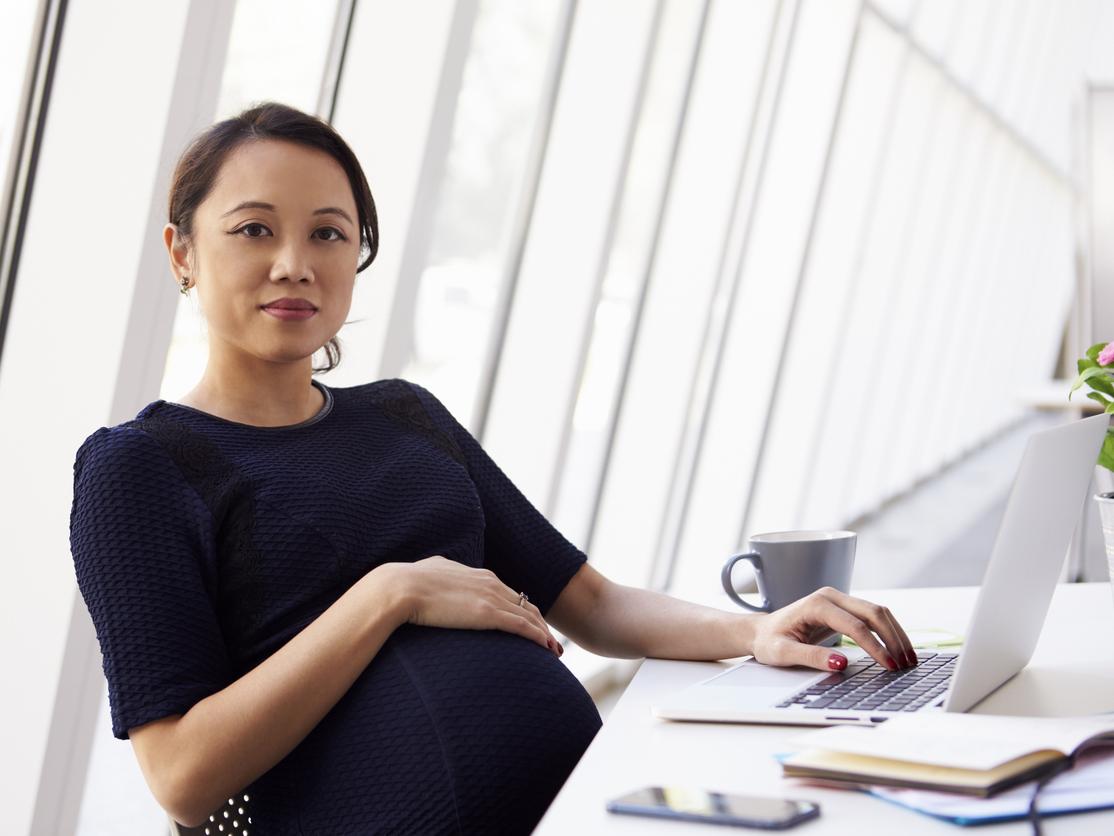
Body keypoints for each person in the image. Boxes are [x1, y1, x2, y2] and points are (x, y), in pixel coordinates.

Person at [68, 101, 916, 835]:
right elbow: (181, 773)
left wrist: (753, 632)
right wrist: (391, 594)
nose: (295, 262)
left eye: (328, 232)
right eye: (255, 229)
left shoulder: (404, 414)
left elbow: (593, 603)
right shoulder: (138, 469)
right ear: (182, 252)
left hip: (581, 804)